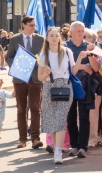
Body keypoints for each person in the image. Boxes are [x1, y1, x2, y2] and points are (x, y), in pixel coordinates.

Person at [38, 27, 79, 164]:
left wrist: (80, 60)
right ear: (47, 38)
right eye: (52, 35)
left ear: (60, 38)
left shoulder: (67, 52)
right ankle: (56, 148)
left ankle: (58, 152)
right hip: (49, 86)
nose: (55, 37)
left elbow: (73, 70)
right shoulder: (44, 55)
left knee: (61, 119)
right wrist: (46, 72)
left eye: (57, 35)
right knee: (52, 120)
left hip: (65, 87)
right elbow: (40, 78)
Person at [5, 17, 44, 149]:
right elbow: (8, 56)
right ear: (23, 25)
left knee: (35, 108)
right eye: (31, 25)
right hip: (20, 78)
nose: (33, 27)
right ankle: (22, 139)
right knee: (21, 109)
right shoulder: (15, 39)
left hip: (35, 78)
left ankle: (35, 138)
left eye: (34, 25)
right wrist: (16, 65)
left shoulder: (40, 39)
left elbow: (44, 56)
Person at [64, 21, 100, 158]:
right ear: (71, 33)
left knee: (84, 117)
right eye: (78, 31)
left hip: (85, 86)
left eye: (82, 31)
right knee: (71, 117)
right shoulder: (65, 47)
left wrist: (90, 55)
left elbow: (96, 69)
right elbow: (64, 67)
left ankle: (83, 146)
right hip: (69, 84)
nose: (81, 33)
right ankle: (74, 145)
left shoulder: (89, 47)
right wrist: (83, 67)